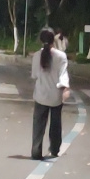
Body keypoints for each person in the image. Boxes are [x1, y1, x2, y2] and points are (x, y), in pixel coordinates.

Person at [29, 24, 71, 159]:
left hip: (41, 95)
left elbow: (34, 75)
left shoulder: (36, 56)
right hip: (56, 96)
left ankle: (36, 151)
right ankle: (54, 149)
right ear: (54, 39)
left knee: (38, 124)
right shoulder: (61, 56)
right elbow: (63, 75)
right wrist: (66, 89)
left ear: (41, 40)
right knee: (55, 124)